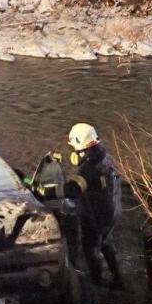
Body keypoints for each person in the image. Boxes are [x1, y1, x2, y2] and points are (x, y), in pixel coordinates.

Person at [65, 123, 124, 289]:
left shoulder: (87, 169)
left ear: (78, 143)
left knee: (90, 249)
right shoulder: (105, 157)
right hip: (111, 211)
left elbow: (72, 190)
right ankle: (118, 278)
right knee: (106, 243)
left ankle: (97, 282)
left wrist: (47, 191)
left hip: (94, 216)